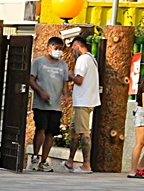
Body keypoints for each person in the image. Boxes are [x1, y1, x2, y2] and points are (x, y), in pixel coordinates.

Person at [28, 34, 71, 173]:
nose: (58, 51)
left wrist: (66, 95)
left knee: (50, 133)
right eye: (56, 48)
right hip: (41, 104)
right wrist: (40, 92)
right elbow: (31, 79)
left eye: (60, 49)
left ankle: (44, 161)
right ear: (48, 48)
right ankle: (35, 156)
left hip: (55, 105)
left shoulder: (63, 65)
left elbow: (65, 82)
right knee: (41, 129)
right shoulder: (38, 62)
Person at [67, 35, 100, 173]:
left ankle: (86, 164)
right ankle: (70, 161)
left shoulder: (82, 59)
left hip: (83, 101)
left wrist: (70, 76)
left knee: (84, 132)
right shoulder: (92, 59)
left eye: (73, 48)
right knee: (74, 130)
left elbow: (79, 80)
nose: (73, 51)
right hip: (89, 99)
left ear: (77, 46)